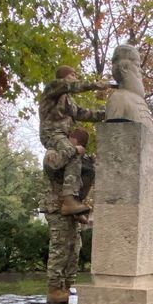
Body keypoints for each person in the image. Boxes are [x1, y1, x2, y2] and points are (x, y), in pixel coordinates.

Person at [38, 65, 110, 216]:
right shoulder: (53, 87)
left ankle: (76, 201)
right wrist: (97, 85)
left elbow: (85, 114)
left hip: (63, 135)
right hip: (51, 133)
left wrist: (108, 114)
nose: (75, 78)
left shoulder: (68, 101)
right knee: (73, 151)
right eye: (73, 75)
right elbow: (74, 86)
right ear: (65, 76)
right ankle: (69, 200)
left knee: (86, 163)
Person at [43, 127, 95, 304]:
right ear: (70, 139)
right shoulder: (54, 151)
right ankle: (54, 288)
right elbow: (52, 165)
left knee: (74, 249)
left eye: (81, 145)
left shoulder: (75, 157)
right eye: (77, 142)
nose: (78, 146)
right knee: (60, 248)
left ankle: (69, 286)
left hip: (71, 211)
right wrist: (73, 151)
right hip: (56, 207)